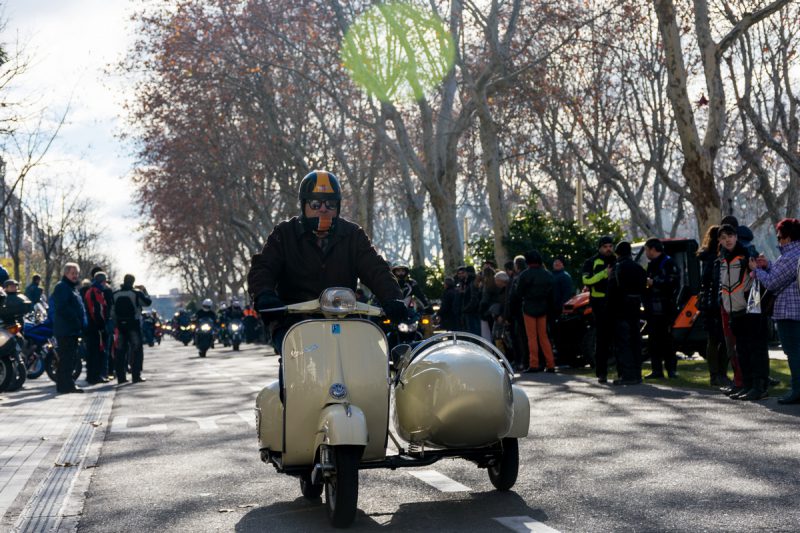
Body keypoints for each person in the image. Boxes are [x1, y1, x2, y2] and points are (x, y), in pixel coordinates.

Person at [247, 170, 406, 361]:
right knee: (299, 368)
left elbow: (376, 269)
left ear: (338, 207)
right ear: (304, 205)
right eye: (315, 204)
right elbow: (263, 268)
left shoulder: (353, 234)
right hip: (294, 324)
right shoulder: (283, 234)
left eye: (330, 204)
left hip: (345, 321)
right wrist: (264, 294)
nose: (323, 209)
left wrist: (393, 299)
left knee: (373, 361)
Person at [718, 224, 769, 401]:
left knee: (755, 350)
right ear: (719, 241)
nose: (727, 240)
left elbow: (761, 276)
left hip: (751, 311)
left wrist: (759, 266)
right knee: (742, 351)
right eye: (723, 238)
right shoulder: (723, 259)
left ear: (736, 237)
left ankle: (759, 386)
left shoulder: (747, 254)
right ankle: (747, 385)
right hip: (734, 312)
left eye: (730, 236)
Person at [752, 218, 800, 404]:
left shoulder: (791, 255)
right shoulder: (793, 254)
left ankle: (797, 391)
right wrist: (768, 266)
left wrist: (756, 270)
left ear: (788, 237)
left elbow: (772, 283)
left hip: (789, 312)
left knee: (793, 353)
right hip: (794, 311)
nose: (778, 241)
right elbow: (782, 274)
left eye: (780, 237)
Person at [607, 242, 647, 385]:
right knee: (635, 340)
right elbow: (644, 288)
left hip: (620, 309)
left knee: (623, 343)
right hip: (635, 308)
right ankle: (637, 373)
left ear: (617, 253)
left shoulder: (617, 268)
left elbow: (611, 290)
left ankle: (627, 375)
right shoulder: (638, 268)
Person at [697, 226, 731, 387]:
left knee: (717, 339)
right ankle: (718, 374)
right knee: (719, 339)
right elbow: (709, 280)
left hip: (711, 302)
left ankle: (717, 374)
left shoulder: (709, 257)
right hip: (713, 302)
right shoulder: (713, 258)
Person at [642, 238, 681, 379]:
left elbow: (674, 282)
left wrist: (654, 282)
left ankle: (671, 370)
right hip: (652, 309)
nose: (646, 252)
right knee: (653, 340)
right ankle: (656, 370)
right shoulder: (651, 264)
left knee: (667, 340)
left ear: (653, 249)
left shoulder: (668, 262)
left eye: (646, 249)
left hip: (665, 308)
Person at [513, 250, 556, 373]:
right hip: (543, 307)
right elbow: (552, 293)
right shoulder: (547, 274)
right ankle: (551, 363)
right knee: (544, 336)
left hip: (529, 307)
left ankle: (534, 364)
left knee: (532, 337)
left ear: (528, 262)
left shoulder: (525, 275)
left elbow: (519, 292)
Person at [582, 236, 617, 383]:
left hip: (615, 302)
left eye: (610, 246)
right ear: (600, 248)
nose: (608, 249)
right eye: (605, 246)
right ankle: (601, 373)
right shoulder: (591, 262)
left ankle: (622, 372)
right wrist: (603, 274)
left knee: (617, 338)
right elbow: (586, 280)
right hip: (599, 303)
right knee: (601, 339)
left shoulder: (616, 260)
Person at [52, 263, 87, 394]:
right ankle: (66, 386)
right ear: (66, 273)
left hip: (71, 329)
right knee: (67, 359)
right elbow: (62, 307)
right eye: (73, 273)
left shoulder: (72, 288)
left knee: (70, 358)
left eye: (76, 273)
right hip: (66, 329)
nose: (75, 276)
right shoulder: (62, 287)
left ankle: (65, 385)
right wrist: (76, 319)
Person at [113, 274, 152, 384]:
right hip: (133, 325)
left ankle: (121, 377)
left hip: (120, 325)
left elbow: (112, 310)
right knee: (137, 350)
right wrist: (144, 290)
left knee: (120, 351)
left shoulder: (115, 294)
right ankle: (136, 376)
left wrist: (115, 322)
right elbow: (147, 303)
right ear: (133, 282)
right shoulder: (136, 293)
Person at [83, 272, 110, 384]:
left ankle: (92, 376)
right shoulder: (96, 292)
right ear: (102, 281)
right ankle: (95, 376)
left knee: (92, 352)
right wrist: (102, 326)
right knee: (97, 351)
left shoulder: (90, 291)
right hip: (95, 326)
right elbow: (97, 310)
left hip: (90, 325)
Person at [460, 265, 481, 335]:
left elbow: (473, 298)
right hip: (472, 310)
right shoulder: (469, 282)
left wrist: (466, 308)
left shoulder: (471, 283)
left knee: (474, 331)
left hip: (471, 311)